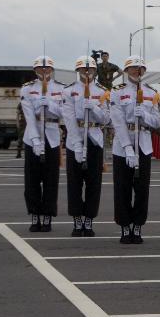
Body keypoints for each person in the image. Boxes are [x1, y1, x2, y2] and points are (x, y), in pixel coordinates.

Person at [108, 57, 160, 244]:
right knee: (122, 188)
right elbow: (117, 121)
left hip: (145, 143)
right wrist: (127, 148)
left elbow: (158, 121)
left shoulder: (152, 93)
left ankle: (138, 226)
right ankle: (125, 226)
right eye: (132, 68)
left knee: (141, 189)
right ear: (126, 70)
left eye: (139, 68)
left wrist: (146, 115)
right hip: (123, 145)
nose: (136, 71)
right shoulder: (118, 92)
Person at [62, 56, 108, 237]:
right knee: (74, 183)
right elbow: (69, 119)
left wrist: (94, 108)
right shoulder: (69, 91)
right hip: (76, 139)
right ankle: (77, 219)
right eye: (83, 70)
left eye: (89, 70)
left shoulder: (102, 91)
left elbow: (106, 119)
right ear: (78, 71)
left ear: (95, 71)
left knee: (93, 182)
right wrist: (77, 145)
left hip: (95, 138)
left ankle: (89, 219)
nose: (86, 72)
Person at [20, 55, 64, 233]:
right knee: (32, 180)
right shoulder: (27, 89)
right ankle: (35, 214)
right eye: (40, 68)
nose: (44, 71)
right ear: (35, 70)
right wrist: (36, 140)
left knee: (50, 180)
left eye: (47, 69)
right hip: (32, 136)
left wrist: (51, 105)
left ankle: (47, 215)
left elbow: (64, 112)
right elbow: (29, 117)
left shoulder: (61, 88)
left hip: (52, 135)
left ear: (52, 70)